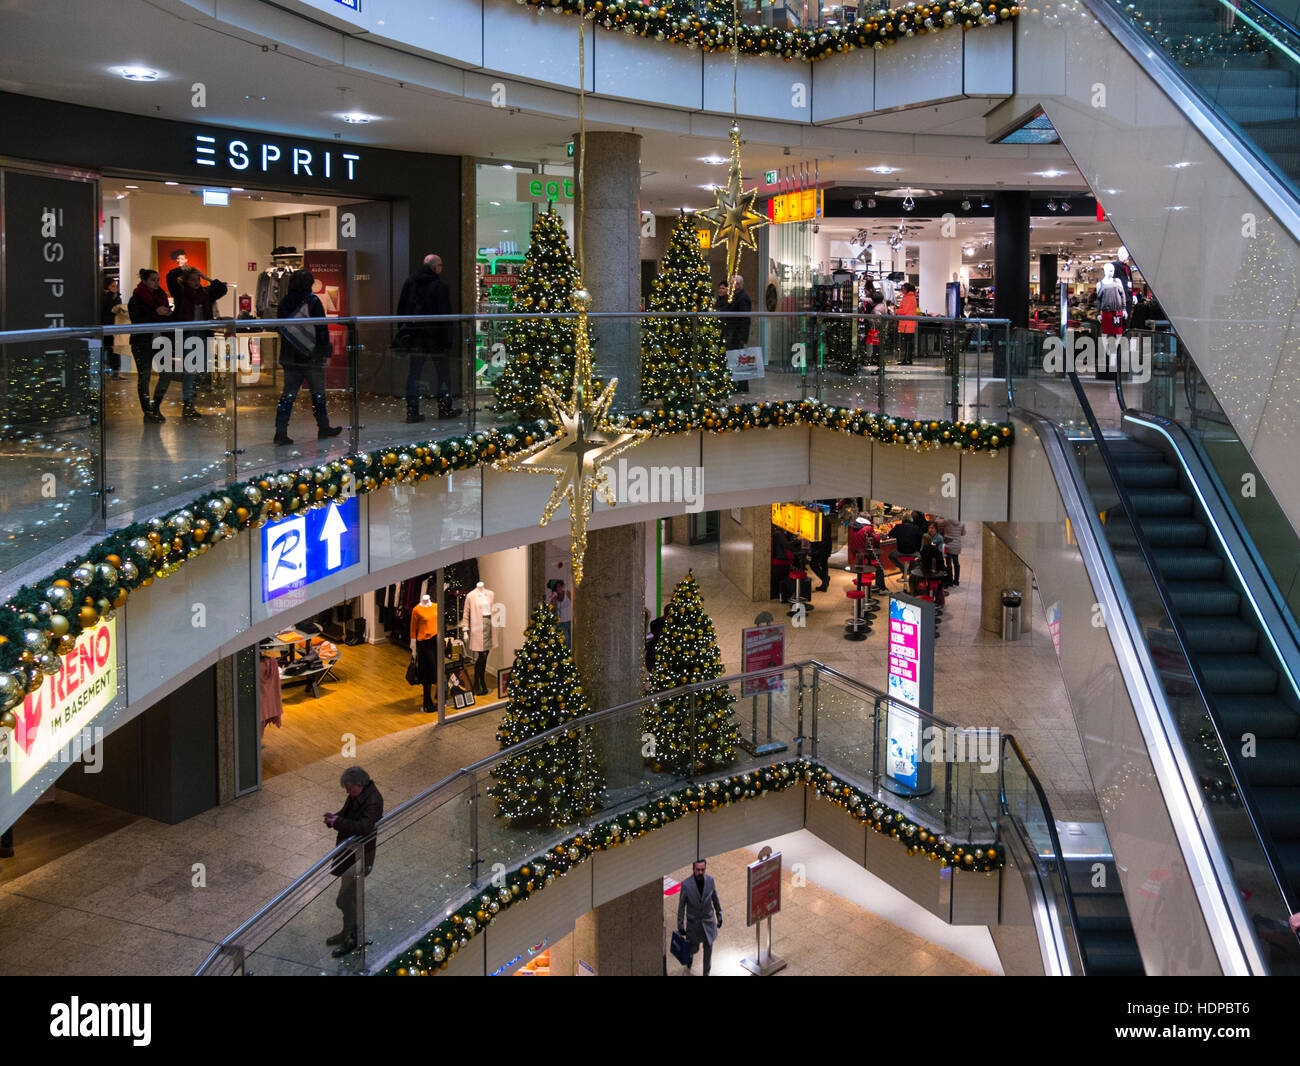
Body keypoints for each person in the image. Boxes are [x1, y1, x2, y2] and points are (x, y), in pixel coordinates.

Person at [273, 269, 343, 444]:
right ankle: (323, 426)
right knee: (318, 394)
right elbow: (321, 329)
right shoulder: (313, 301)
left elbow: (283, 330)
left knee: (287, 395)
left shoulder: (284, 303)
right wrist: (326, 352)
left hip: (290, 356)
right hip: (312, 356)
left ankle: (280, 431)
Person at [324, 766, 384, 958]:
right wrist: (335, 818)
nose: (347, 792)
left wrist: (338, 823)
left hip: (361, 856)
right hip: (350, 856)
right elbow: (346, 812)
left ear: (359, 784)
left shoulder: (373, 800)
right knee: (348, 897)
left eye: (349, 788)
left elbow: (364, 827)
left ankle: (354, 937)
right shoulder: (357, 795)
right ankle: (348, 932)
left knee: (346, 899)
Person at [396, 253, 455, 423]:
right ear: (435, 267)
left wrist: (404, 332)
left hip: (415, 336)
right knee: (443, 374)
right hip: (436, 338)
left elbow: (401, 309)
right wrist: (447, 340)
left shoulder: (410, 283)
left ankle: (412, 410)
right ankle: (445, 408)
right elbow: (445, 316)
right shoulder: (440, 286)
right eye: (441, 265)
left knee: (414, 374)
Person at [170, 267, 228, 419]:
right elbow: (170, 277)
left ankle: (191, 394)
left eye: (198, 280)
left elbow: (222, 288)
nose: (197, 282)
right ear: (186, 281)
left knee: (202, 369)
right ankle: (187, 401)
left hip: (202, 334)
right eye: (193, 280)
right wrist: (182, 269)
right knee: (190, 369)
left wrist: (205, 276)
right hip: (187, 335)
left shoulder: (206, 294)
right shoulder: (181, 294)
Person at [127, 268, 173, 424]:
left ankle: (156, 406)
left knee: (166, 374)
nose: (156, 283)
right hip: (142, 343)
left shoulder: (161, 297)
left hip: (161, 341)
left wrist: (167, 314)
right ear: (144, 281)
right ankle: (147, 411)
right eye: (153, 279)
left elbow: (164, 320)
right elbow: (137, 321)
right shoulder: (136, 299)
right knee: (144, 377)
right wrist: (156, 313)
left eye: (158, 279)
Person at [677, 858, 723, 976]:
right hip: (694, 925)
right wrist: (680, 924)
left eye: (703, 869)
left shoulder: (710, 880)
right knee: (693, 948)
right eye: (698, 870)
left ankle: (706, 973)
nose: (700, 872)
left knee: (708, 950)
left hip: (708, 923)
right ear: (693, 869)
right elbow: (681, 906)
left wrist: (719, 914)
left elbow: (715, 899)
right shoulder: (686, 885)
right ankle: (690, 957)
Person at [100, 278, 125, 378]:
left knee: (114, 349)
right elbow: (106, 312)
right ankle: (112, 371)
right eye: (113, 286)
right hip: (108, 326)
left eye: (116, 286)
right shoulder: (106, 298)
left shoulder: (116, 297)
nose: (115, 288)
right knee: (110, 349)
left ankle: (115, 372)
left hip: (115, 326)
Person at [888, 511, 924, 576]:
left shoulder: (898, 526)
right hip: (913, 552)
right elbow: (921, 537)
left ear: (903, 519)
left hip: (900, 551)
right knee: (920, 556)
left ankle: (902, 568)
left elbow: (890, 535)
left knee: (891, 555)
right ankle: (912, 572)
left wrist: (899, 534)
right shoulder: (915, 527)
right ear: (911, 519)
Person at [809, 507, 833, 592]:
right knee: (824, 565)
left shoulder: (819, 521)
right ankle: (825, 582)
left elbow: (819, 535)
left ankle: (825, 580)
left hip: (820, 547)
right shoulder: (826, 519)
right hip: (826, 546)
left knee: (813, 564)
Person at [939, 515, 966, 586]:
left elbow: (938, 523)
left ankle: (949, 580)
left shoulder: (947, 520)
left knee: (948, 563)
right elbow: (963, 533)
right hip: (956, 545)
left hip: (948, 545)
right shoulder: (962, 522)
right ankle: (956, 580)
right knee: (956, 563)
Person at [896, 283, 918, 364]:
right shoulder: (910, 297)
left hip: (907, 324)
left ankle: (907, 359)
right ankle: (907, 359)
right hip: (908, 323)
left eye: (903, 289)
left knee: (907, 342)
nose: (902, 290)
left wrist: (895, 311)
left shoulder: (908, 298)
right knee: (908, 342)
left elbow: (904, 311)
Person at [548, 579, 572, 648]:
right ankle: (567, 656)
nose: (558, 588)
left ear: (562, 586)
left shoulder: (568, 593)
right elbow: (553, 612)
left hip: (570, 621)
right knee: (566, 641)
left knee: (571, 641)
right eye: (556, 587)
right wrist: (552, 604)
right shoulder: (555, 598)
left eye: (559, 586)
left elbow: (574, 603)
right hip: (561, 623)